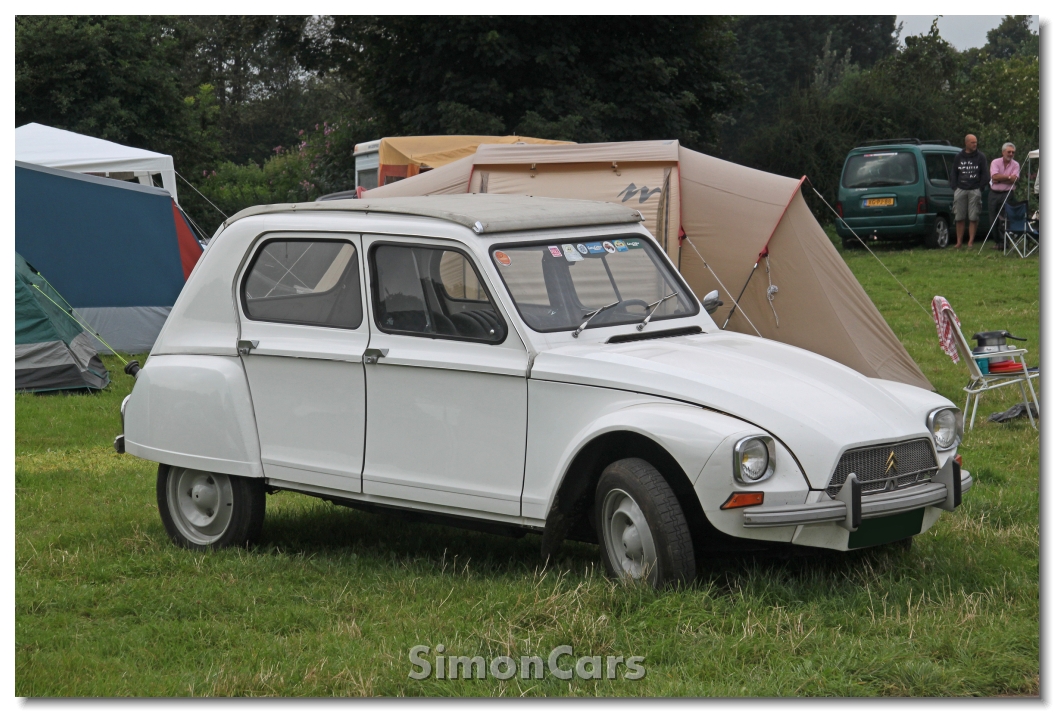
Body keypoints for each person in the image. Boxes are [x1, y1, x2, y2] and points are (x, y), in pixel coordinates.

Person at [949, 134, 989, 248]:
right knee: (959, 217)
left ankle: (970, 242)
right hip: (960, 189)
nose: (975, 144)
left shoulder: (980, 157)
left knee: (973, 217)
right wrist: (955, 187)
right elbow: (954, 173)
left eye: (976, 142)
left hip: (974, 189)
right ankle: (959, 242)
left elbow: (984, 174)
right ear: (966, 143)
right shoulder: (959, 157)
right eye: (972, 142)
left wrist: (980, 187)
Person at [988, 142, 1020, 242]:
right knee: (993, 218)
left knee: (1004, 218)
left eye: (1013, 152)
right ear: (1003, 152)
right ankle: (997, 241)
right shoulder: (995, 162)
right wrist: (1009, 177)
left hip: (1007, 193)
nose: (1011, 154)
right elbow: (994, 177)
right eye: (1009, 152)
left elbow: (1014, 179)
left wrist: (1001, 179)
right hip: (994, 193)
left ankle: (1004, 242)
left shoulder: (1016, 164)